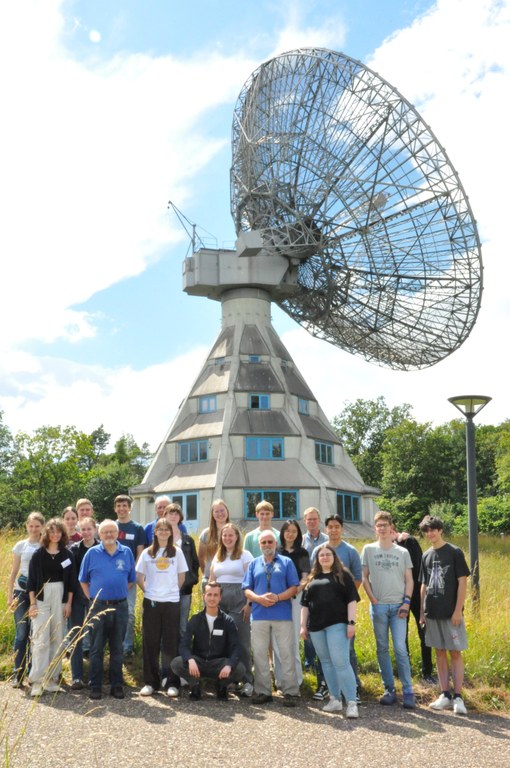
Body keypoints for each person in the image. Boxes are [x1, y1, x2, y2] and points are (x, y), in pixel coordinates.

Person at [361, 510, 416, 709]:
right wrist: (372, 599)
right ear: (375, 528)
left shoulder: (402, 552)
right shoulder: (368, 549)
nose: (382, 529)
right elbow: (364, 576)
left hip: (399, 606)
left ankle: (408, 691)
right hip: (379, 607)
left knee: (400, 648)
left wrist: (407, 602)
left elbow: (409, 580)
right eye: (379, 526)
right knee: (382, 648)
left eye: (385, 525)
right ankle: (389, 690)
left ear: (391, 527)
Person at [79, 519, 136, 700]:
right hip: (98, 607)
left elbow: (131, 579)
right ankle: (95, 686)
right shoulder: (91, 553)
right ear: (99, 534)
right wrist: (92, 599)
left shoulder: (126, 552)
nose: (109, 535)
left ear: (118, 533)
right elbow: (83, 580)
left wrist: (117, 594)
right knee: (96, 648)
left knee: (117, 648)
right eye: (105, 532)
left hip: (120, 607)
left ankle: (116, 685)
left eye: (112, 531)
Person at [419, 515, 470, 715]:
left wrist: (458, 610)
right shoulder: (426, 556)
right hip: (432, 612)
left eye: (433, 529)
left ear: (440, 530)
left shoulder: (454, 552)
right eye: (427, 531)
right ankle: (445, 694)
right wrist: (422, 612)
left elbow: (462, 582)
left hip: (451, 613)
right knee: (439, 651)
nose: (430, 533)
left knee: (455, 652)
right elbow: (423, 584)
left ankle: (458, 696)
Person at [242, 529, 300, 707]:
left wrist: (278, 597)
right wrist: (258, 599)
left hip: (282, 614)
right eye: (264, 542)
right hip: (259, 615)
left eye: (270, 542)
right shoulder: (253, 564)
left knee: (285, 654)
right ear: (259, 545)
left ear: (276, 544)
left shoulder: (286, 562)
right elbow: (246, 589)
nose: (267, 545)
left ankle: (291, 691)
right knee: (259, 654)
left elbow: (294, 587)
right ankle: (263, 691)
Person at [301, 545, 360, 718]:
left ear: (334, 557)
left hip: (338, 624)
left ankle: (351, 702)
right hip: (317, 627)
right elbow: (305, 605)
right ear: (317, 559)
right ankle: (335, 699)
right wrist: (303, 626)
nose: (325, 557)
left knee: (341, 662)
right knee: (326, 662)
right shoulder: (312, 579)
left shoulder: (343, 575)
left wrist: (351, 623)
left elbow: (352, 600)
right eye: (321, 555)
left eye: (328, 554)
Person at [312, 515, 363, 700]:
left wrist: (343, 596)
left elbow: (357, 577)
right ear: (326, 529)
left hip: (343, 615)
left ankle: (353, 689)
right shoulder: (319, 550)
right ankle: (326, 687)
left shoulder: (350, 551)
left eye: (337, 527)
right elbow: (313, 577)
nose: (333, 530)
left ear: (342, 528)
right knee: (325, 657)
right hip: (321, 616)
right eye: (330, 527)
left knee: (346, 653)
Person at [136, 518, 188, 697]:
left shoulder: (177, 553)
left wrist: (171, 592)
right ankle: (151, 682)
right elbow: (138, 576)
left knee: (171, 643)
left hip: (172, 602)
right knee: (150, 643)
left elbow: (182, 577)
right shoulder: (147, 553)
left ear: (171, 532)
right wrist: (149, 591)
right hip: (152, 602)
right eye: (160, 529)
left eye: (167, 529)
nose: (164, 532)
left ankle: (172, 682)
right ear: (155, 532)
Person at [171, 581, 245, 700]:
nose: (212, 598)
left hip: (218, 664)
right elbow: (184, 645)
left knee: (240, 668)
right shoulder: (195, 619)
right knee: (176, 663)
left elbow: (236, 648)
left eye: (215, 595)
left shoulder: (228, 621)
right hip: (198, 662)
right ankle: (195, 684)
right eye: (209, 594)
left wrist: (229, 665)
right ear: (204, 596)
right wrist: (190, 660)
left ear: (220, 597)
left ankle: (221, 685)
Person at [27, 517, 76, 697]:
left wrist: (69, 603)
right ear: (46, 533)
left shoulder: (67, 555)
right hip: (41, 598)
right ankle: (37, 680)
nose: (55, 535)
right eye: (52, 531)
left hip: (61, 597)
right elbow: (31, 582)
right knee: (40, 640)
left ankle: (51, 679)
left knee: (57, 638)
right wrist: (32, 604)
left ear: (63, 534)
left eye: (58, 531)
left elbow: (71, 582)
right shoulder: (38, 555)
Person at [210, 523, 254, 697]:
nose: (227, 538)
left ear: (237, 537)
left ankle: (248, 680)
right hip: (220, 600)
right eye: (224, 535)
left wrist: (249, 603)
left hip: (239, 600)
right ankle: (229, 681)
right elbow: (213, 580)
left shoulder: (245, 555)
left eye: (231, 535)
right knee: (222, 641)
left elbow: (251, 581)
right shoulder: (218, 556)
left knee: (242, 642)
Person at [391, 524, 434, 682]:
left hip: (416, 595)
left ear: (394, 530)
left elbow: (419, 568)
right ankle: (405, 670)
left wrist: (404, 541)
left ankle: (427, 672)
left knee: (424, 632)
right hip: (397, 597)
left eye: (390, 530)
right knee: (401, 636)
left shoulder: (410, 542)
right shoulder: (382, 548)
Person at [8, 511, 44, 686]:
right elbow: (14, 571)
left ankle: (32, 671)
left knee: (34, 635)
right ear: (26, 526)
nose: (34, 529)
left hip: (39, 594)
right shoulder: (20, 545)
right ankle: (18, 673)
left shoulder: (45, 545)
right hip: (21, 592)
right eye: (31, 525)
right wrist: (10, 595)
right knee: (21, 634)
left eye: (37, 526)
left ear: (42, 527)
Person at [273, 520, 310, 688]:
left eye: (294, 531)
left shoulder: (302, 552)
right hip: (278, 599)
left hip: (295, 598)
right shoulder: (276, 551)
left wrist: (296, 589)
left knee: (293, 640)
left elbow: (305, 576)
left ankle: (296, 680)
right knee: (277, 640)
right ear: (282, 533)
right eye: (287, 531)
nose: (290, 534)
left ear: (298, 534)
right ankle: (280, 681)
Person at [301, 507, 328, 699]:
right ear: (305, 521)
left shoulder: (327, 540)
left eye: (314, 519)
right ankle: (309, 661)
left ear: (319, 520)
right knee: (307, 625)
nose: (311, 522)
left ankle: (323, 661)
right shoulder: (302, 540)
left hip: (325, 587)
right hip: (307, 586)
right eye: (308, 519)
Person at [114, 494, 145, 655]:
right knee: (112, 614)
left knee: (130, 613)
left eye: (124, 505)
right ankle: (115, 646)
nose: (122, 509)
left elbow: (139, 554)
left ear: (130, 508)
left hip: (129, 578)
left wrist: (131, 576)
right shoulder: (111, 527)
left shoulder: (137, 528)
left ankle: (127, 647)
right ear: (115, 509)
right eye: (118, 506)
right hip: (112, 579)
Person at [68, 516, 98, 689]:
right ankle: (77, 677)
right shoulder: (74, 550)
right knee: (76, 634)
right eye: (83, 529)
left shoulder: (100, 548)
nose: (86, 532)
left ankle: (95, 677)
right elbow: (71, 576)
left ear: (95, 530)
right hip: (78, 597)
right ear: (79, 531)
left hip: (96, 597)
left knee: (95, 636)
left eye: (89, 529)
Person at [164, 502, 199, 638]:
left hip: (185, 589)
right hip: (166, 590)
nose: (173, 516)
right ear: (165, 516)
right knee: (167, 625)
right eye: (170, 513)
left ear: (180, 517)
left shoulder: (188, 540)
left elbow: (195, 563)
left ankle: (183, 656)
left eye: (176, 513)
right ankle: (168, 657)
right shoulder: (161, 539)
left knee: (183, 626)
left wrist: (192, 579)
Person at [198, 499, 230, 590]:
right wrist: (205, 574)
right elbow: (201, 557)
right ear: (212, 514)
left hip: (230, 581)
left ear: (227, 511)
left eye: (222, 510)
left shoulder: (235, 532)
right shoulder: (206, 533)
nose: (220, 514)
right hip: (210, 580)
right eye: (216, 511)